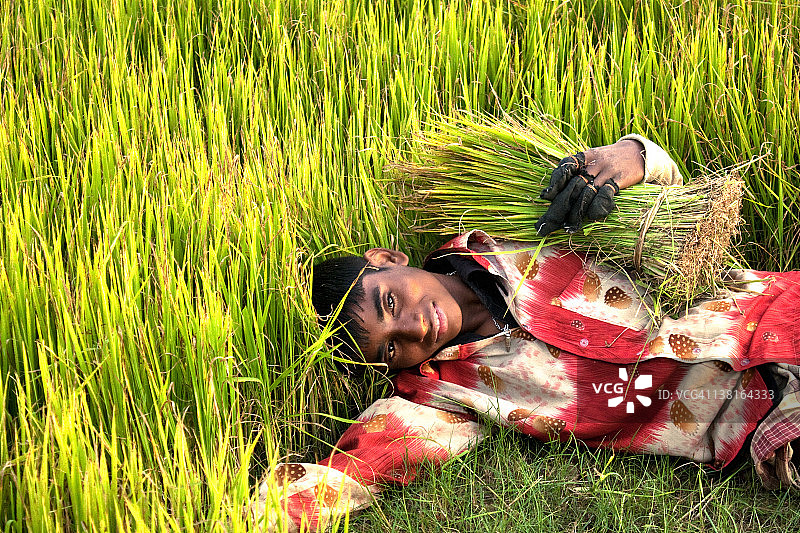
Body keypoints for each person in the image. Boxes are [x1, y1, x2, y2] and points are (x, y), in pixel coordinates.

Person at [251, 136, 800, 532]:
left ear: (388, 259)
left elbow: (671, 204)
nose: (416, 326)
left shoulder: (514, 216)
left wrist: (630, 158)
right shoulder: (445, 390)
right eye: (391, 345)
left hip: (780, 308)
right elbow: (352, 471)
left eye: (390, 301)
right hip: (764, 418)